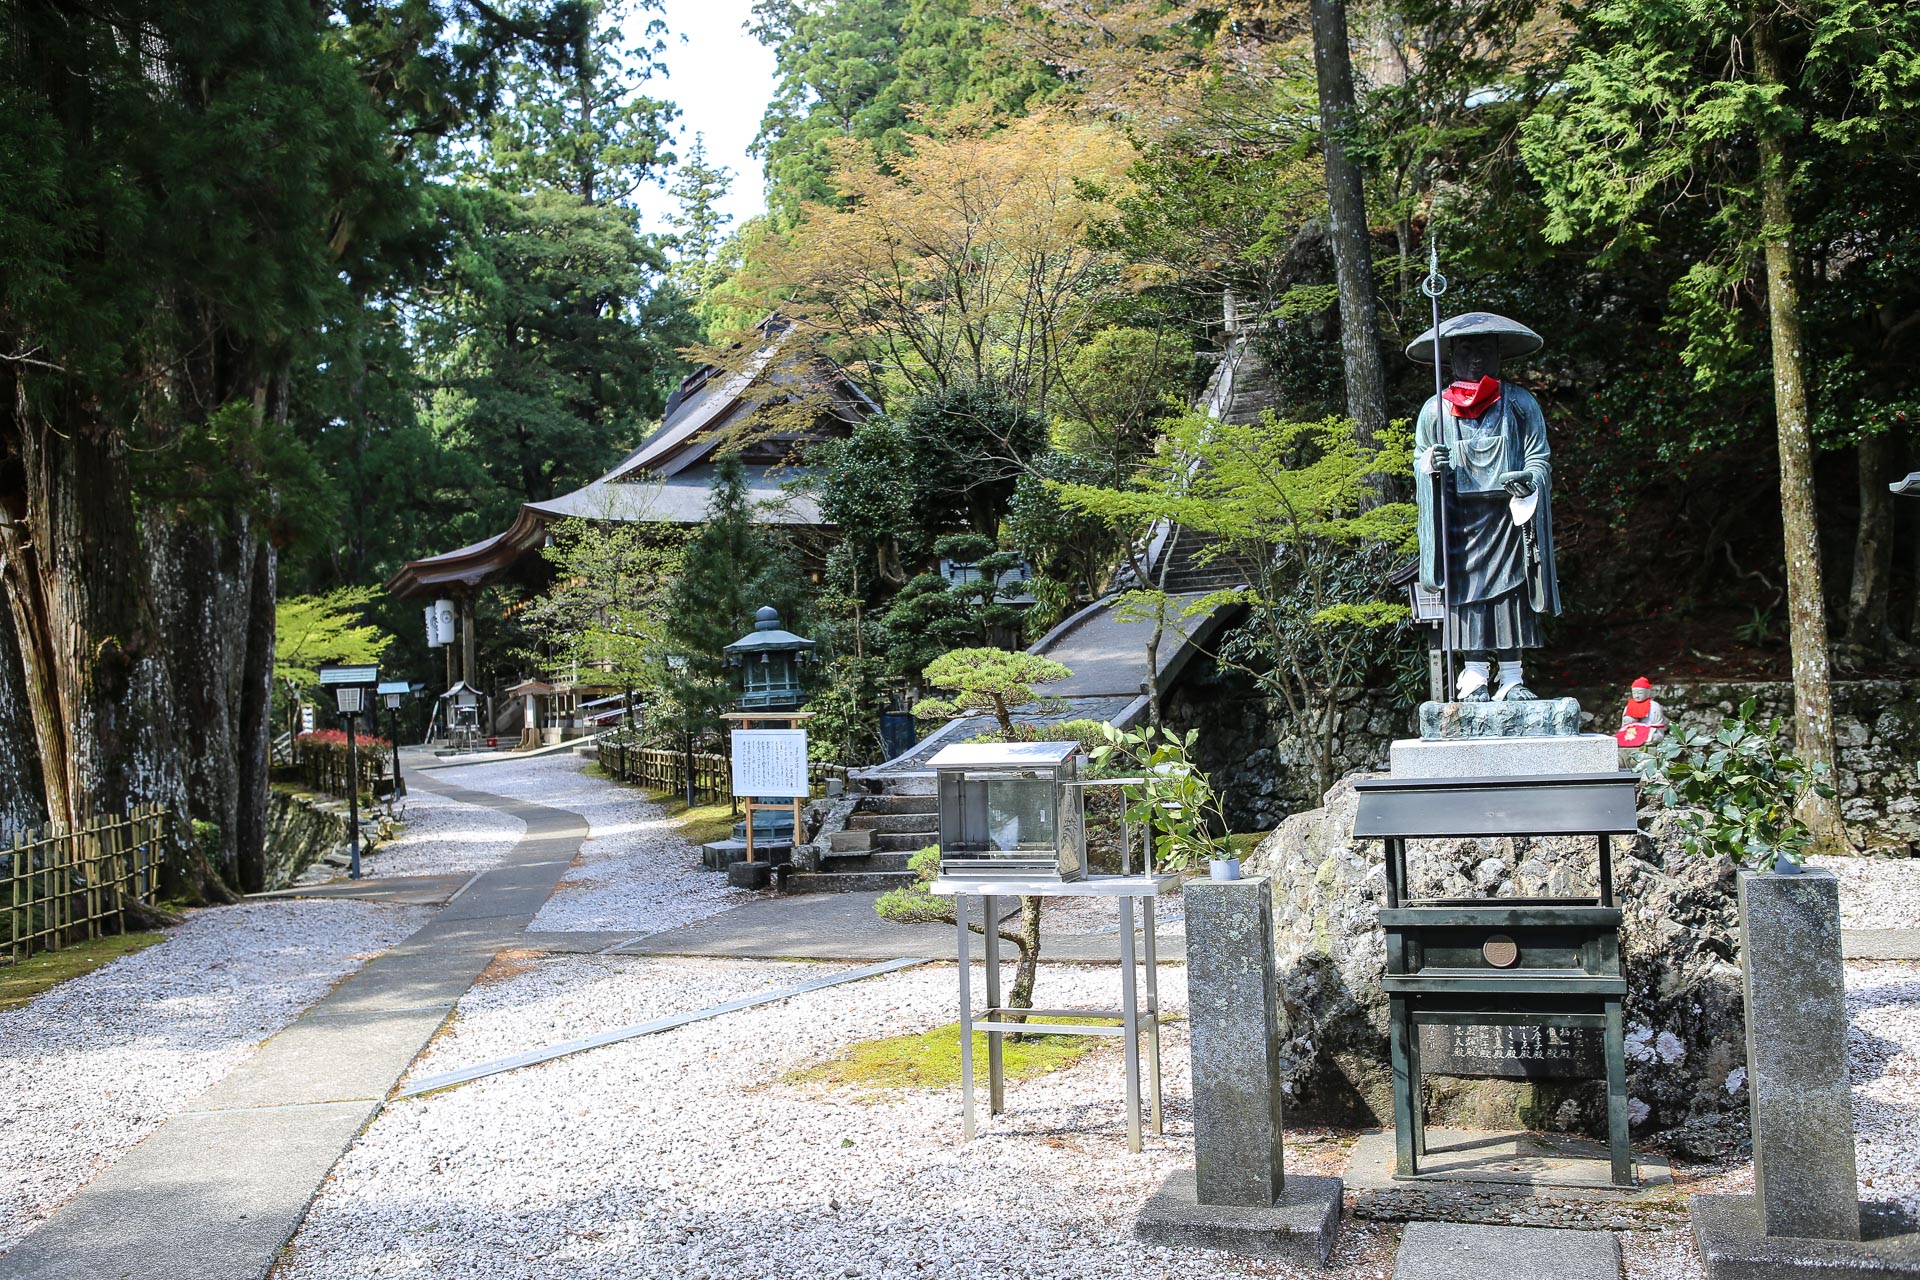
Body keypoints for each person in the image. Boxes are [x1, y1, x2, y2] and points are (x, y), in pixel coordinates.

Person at [1408, 312, 1562, 702]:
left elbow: (1539, 457)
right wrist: (1431, 466)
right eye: (1467, 349)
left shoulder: (1519, 403)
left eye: (1484, 349)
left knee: (1511, 596)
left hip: (1508, 517)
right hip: (1459, 521)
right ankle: (1474, 674)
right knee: (1467, 596)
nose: (1476, 358)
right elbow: (1419, 459)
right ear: (1452, 354)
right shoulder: (1434, 411)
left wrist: (1528, 479)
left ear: (1498, 354)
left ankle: (1512, 676)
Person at [1616, 677, 1668, 748]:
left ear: (1648, 692)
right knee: (1620, 737)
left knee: (1655, 738)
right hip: (1633, 732)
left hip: (1649, 732)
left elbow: (1658, 725)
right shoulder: (1629, 706)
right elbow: (1624, 726)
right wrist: (1628, 720)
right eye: (1634, 693)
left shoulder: (1654, 706)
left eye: (1640, 693)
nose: (1636, 696)